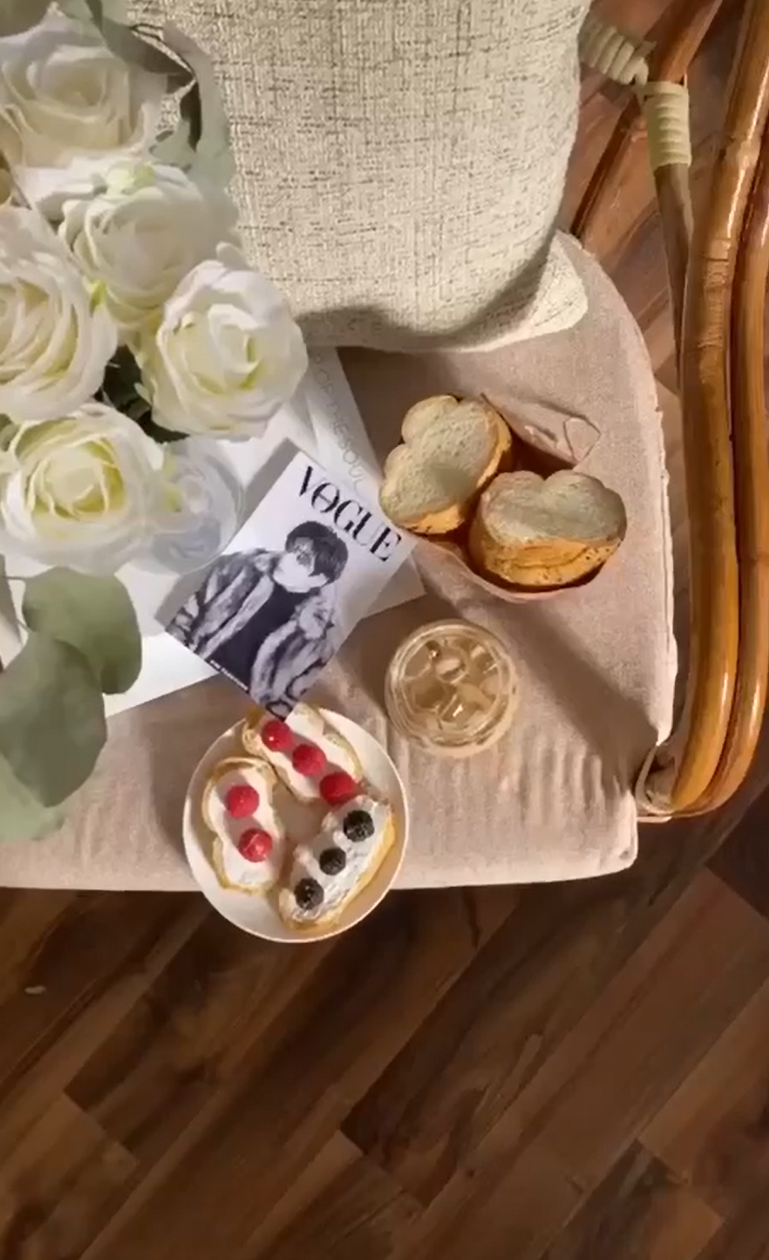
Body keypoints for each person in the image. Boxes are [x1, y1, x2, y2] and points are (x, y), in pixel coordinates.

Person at [168, 521, 348, 715]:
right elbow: (183, 619)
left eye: (302, 559)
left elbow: (290, 705)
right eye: (292, 548)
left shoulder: (322, 638)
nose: (287, 558)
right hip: (183, 675)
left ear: (318, 580)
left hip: (240, 713)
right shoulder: (239, 567)